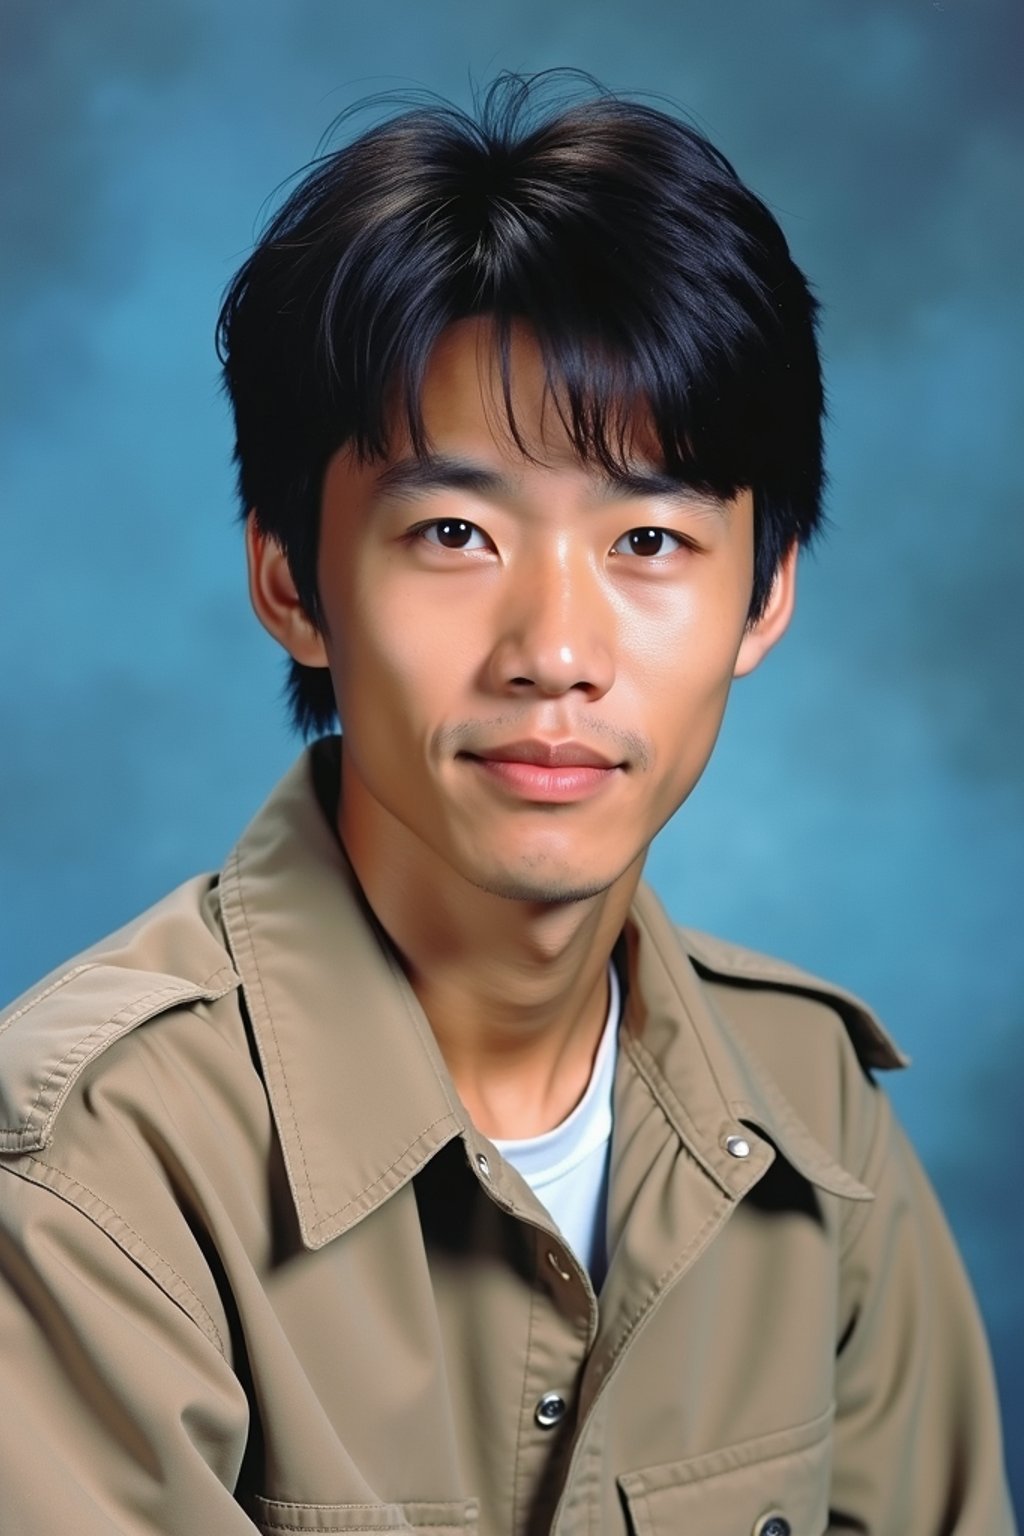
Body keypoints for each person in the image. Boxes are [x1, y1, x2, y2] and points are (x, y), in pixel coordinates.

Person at [0, 71, 1015, 1536]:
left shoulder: (817, 1115)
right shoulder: (91, 1176)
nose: (556, 653)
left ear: (766, 594)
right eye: (455, 531)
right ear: (293, 581)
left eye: (651, 537)